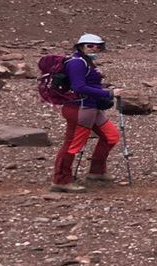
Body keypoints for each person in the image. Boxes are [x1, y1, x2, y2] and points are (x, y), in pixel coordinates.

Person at [51, 33, 124, 194]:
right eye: (90, 45)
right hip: (80, 109)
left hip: (91, 107)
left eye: (97, 46)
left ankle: (97, 172)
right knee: (72, 145)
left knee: (111, 136)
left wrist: (103, 92)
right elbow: (79, 87)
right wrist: (109, 93)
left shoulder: (86, 61)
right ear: (81, 46)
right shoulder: (77, 63)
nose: (94, 48)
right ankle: (61, 180)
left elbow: (87, 84)